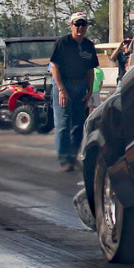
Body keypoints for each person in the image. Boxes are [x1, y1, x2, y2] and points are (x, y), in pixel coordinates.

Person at [50, 12, 100, 172]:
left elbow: (90, 71)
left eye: (83, 24)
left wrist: (90, 91)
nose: (80, 27)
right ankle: (64, 159)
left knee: (78, 124)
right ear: (71, 26)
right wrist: (61, 90)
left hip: (81, 88)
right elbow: (54, 68)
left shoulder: (88, 45)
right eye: (77, 24)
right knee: (63, 124)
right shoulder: (62, 43)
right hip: (64, 87)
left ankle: (72, 157)